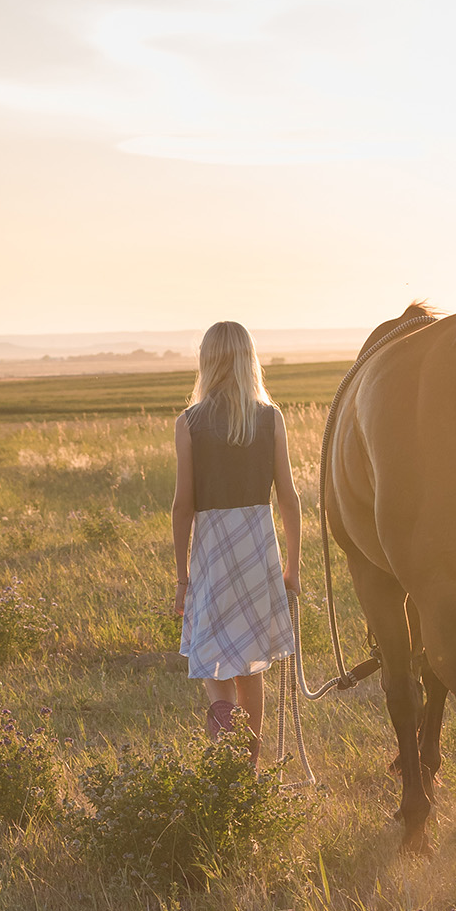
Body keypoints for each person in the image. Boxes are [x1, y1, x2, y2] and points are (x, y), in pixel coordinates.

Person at [172, 321, 300, 762]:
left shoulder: (189, 423)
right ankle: (248, 762)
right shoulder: (270, 418)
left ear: (207, 361)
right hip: (257, 546)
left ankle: (223, 724)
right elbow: (289, 498)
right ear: (249, 360)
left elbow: (181, 507)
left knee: (211, 654)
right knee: (252, 659)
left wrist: (181, 578)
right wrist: (293, 568)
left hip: (212, 547)